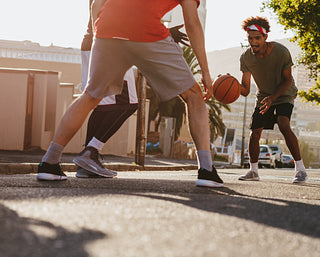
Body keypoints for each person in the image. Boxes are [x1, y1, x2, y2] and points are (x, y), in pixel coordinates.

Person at [37, 0, 223, 187]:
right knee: (194, 95)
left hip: (107, 29)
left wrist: (99, 37)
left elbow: (96, 5)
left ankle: (49, 162)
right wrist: (206, 72)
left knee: (90, 96)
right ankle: (206, 170)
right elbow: (192, 23)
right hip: (146, 31)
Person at [76, 0, 189, 178]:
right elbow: (129, 14)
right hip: (111, 43)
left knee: (103, 103)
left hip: (102, 41)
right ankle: (90, 153)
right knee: (124, 103)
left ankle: (87, 160)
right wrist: (164, 34)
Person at [238, 16, 307, 183]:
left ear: (265, 37)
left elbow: (288, 80)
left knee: (283, 123)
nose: (253, 42)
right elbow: (245, 90)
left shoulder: (281, 52)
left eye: (257, 38)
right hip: (263, 96)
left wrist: (273, 98)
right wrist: (229, 86)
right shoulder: (246, 58)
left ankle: (301, 170)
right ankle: (253, 172)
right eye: (250, 38)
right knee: (255, 133)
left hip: (284, 94)